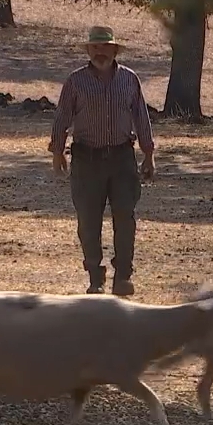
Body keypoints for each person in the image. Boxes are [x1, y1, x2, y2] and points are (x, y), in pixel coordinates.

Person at [48, 25, 156, 296]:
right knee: (88, 221)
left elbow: (141, 117)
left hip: (122, 159)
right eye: (95, 47)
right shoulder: (76, 81)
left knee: (125, 218)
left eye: (105, 46)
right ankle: (95, 277)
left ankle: (123, 276)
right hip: (86, 160)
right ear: (88, 50)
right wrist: (58, 152)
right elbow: (62, 117)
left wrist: (149, 154)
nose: (100, 52)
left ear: (114, 50)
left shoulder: (129, 80)